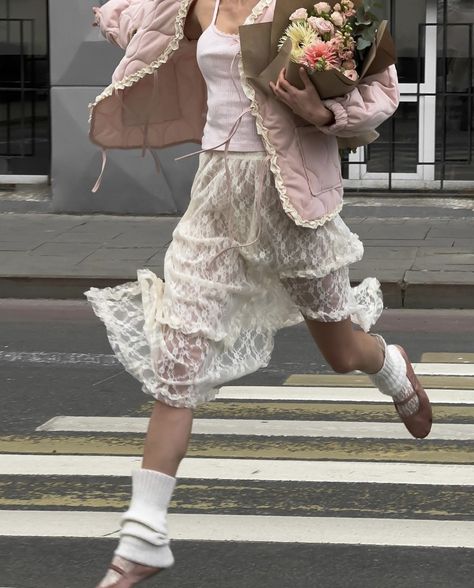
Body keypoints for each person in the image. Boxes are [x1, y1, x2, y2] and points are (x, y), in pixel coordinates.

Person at [87, 1, 432, 586]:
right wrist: (108, 14)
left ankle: (389, 364)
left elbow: (382, 90)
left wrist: (318, 111)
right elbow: (144, 24)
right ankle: (143, 536)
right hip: (217, 198)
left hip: (293, 199)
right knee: (179, 362)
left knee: (342, 353)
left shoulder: (312, 7)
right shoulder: (197, 4)